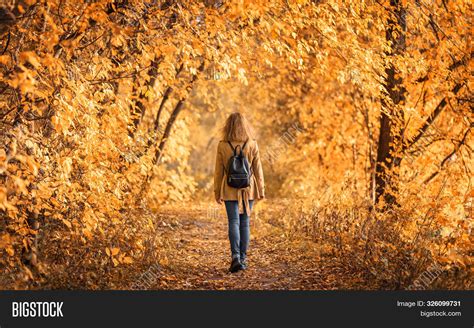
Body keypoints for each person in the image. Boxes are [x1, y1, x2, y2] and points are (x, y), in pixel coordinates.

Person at [214, 112, 265, 273]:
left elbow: (218, 172)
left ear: (228, 126)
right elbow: (258, 169)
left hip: (229, 189)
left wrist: (217, 192)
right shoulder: (252, 144)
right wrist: (261, 190)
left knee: (233, 222)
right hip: (248, 188)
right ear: (245, 126)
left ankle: (235, 257)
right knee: (245, 223)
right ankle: (243, 258)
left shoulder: (223, 145)